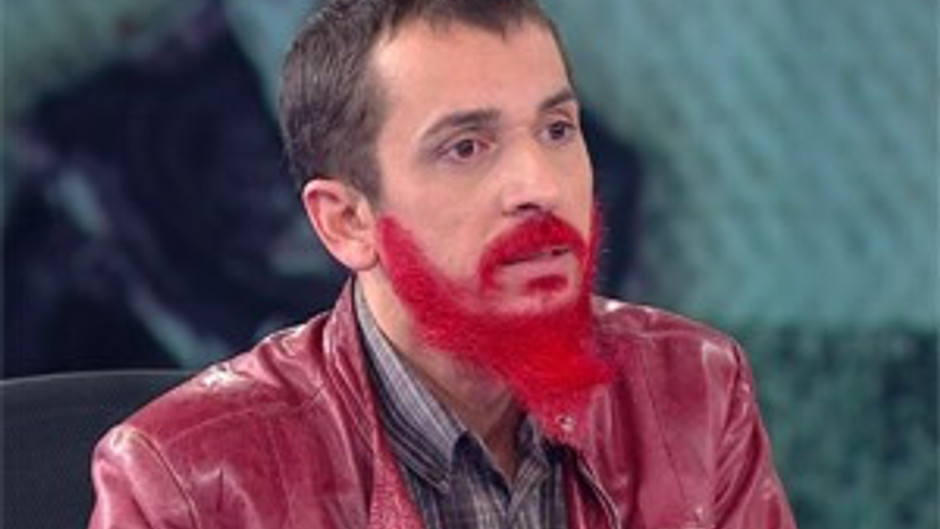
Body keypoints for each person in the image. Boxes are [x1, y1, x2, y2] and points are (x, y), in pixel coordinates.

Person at [87, 0, 797, 527]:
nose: (541, 187)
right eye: (465, 147)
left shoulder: (696, 389)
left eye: (557, 130)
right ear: (347, 221)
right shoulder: (182, 480)